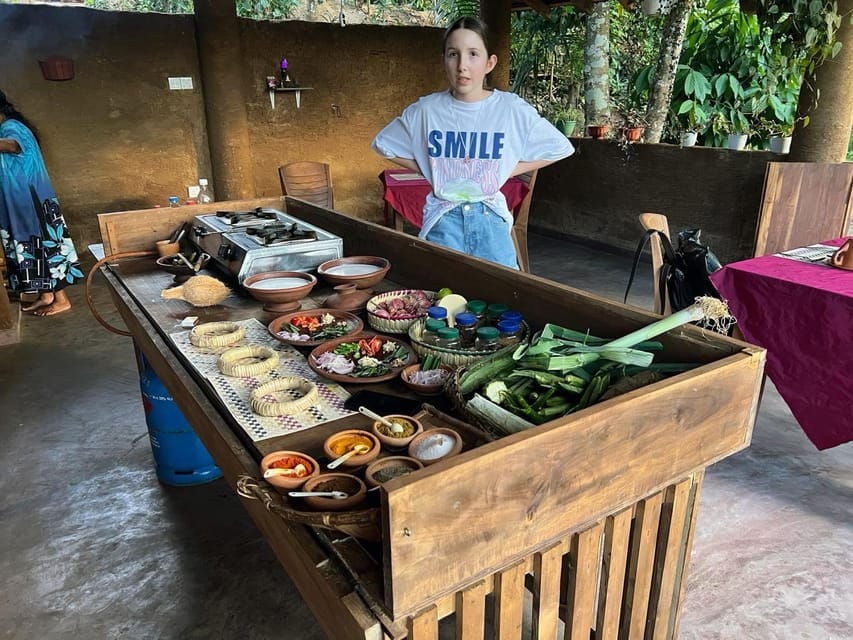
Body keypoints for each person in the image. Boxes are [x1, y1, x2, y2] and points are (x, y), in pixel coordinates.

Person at [372, 16, 574, 269]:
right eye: (453, 54)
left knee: (503, 299)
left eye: (473, 54)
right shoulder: (427, 110)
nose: (462, 65)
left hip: (492, 221)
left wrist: (507, 169)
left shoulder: (510, 109)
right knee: (442, 299)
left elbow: (561, 147)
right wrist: (432, 168)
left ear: (490, 63)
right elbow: (383, 144)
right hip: (443, 222)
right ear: (443, 60)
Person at [0, 90, 81, 316]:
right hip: (23, 200)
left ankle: (62, 299)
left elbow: (12, 146)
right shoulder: (11, 126)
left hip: (31, 202)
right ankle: (46, 295)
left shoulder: (11, 128)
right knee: (34, 247)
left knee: (43, 248)